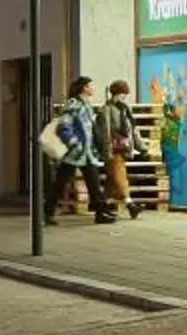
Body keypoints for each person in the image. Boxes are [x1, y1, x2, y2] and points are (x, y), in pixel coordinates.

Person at [47, 77, 114, 226]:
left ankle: (101, 213)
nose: (93, 88)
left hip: (87, 153)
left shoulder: (87, 105)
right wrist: (74, 144)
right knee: (60, 183)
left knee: (94, 184)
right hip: (74, 153)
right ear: (84, 88)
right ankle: (47, 213)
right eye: (91, 86)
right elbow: (63, 127)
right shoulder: (73, 104)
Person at [100, 79, 141, 219]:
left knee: (112, 180)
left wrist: (141, 147)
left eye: (125, 94)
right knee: (120, 174)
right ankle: (130, 205)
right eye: (123, 93)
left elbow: (133, 129)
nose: (124, 96)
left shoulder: (125, 109)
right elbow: (105, 132)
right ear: (115, 93)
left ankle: (103, 207)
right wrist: (107, 151)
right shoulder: (106, 109)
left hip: (123, 147)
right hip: (113, 148)